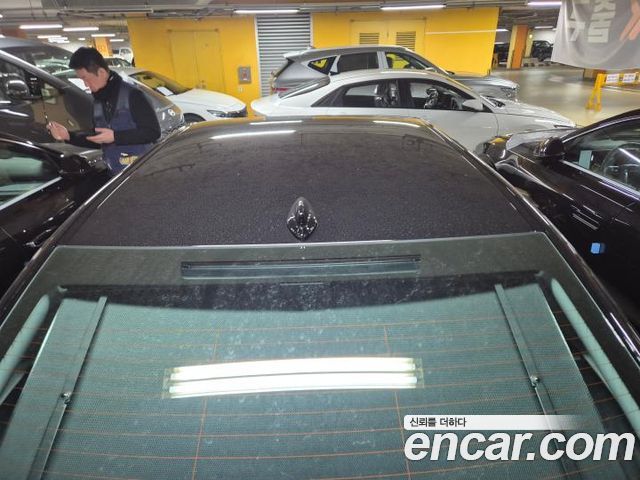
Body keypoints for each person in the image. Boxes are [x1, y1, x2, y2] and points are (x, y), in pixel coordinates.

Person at [48, 47, 160, 176]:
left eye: (86, 78)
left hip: (144, 174)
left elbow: (152, 132)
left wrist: (115, 137)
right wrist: (68, 136)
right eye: (82, 80)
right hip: (116, 176)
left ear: (101, 72)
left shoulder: (133, 95)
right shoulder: (98, 101)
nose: (86, 85)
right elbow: (99, 138)